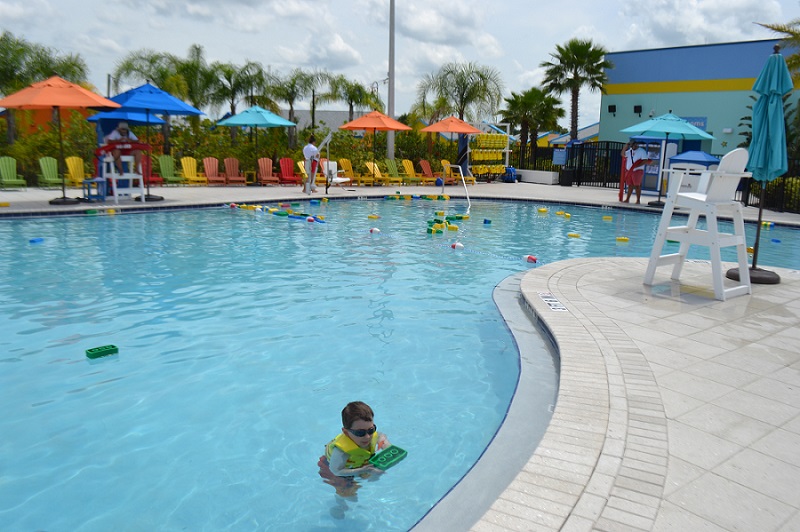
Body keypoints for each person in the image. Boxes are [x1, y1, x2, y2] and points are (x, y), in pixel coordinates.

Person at [318, 401, 390, 498]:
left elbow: (381, 435)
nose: (368, 437)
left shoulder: (371, 435)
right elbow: (336, 471)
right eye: (360, 433)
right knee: (348, 495)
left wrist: (384, 441)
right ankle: (339, 508)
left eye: (371, 430)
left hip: (358, 464)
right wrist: (361, 470)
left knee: (374, 473)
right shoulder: (341, 452)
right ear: (346, 432)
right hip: (333, 468)